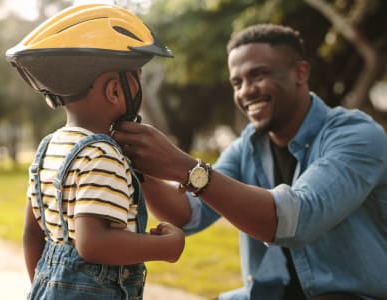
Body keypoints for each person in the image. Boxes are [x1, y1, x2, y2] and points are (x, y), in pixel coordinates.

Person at [112, 24, 387, 299]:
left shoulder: (357, 136)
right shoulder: (249, 145)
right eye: (237, 82)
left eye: (259, 75)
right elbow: (189, 213)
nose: (246, 91)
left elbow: (298, 219)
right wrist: (138, 163)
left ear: (300, 72)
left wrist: (181, 165)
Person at [5, 4, 185, 300]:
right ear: (115, 91)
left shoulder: (49, 147)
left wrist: (46, 287)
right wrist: (170, 247)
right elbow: (94, 244)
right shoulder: (102, 154)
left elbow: (32, 233)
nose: (139, 85)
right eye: (137, 76)